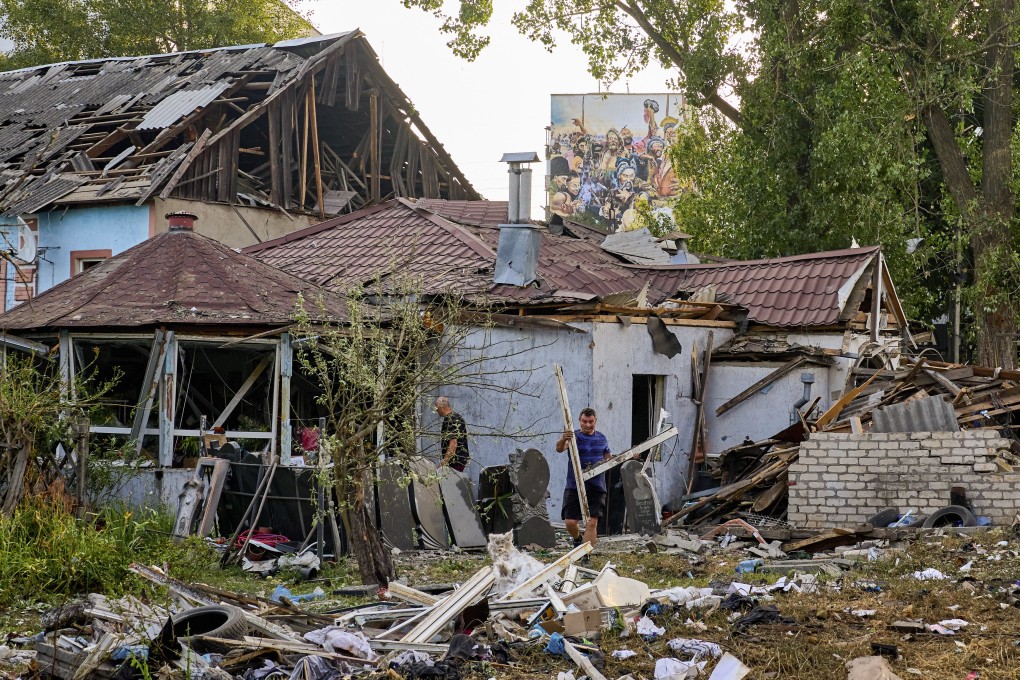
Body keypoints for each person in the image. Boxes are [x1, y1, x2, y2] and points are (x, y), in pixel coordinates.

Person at [555, 407, 611, 550]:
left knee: (591, 522)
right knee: (570, 522)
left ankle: (586, 555)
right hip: (574, 485)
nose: (587, 425)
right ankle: (577, 539)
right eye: (584, 421)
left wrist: (628, 457)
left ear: (595, 421)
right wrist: (563, 438)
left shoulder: (602, 438)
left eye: (591, 422)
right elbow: (559, 448)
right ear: (579, 421)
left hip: (597, 486)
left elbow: (608, 458)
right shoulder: (572, 436)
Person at [435, 397, 469, 472]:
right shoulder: (458, 417)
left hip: (454, 461)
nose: (436, 411)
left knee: (450, 479)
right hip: (460, 459)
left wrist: (443, 463)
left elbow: (453, 443)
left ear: (440, 407)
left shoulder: (449, 419)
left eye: (436, 408)